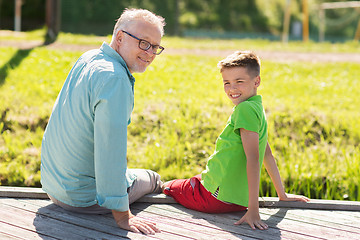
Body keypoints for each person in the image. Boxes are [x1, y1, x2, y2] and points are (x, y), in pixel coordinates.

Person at [41, 8, 166, 235]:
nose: (150, 53)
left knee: (130, 173)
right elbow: (111, 151)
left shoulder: (89, 57)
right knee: (153, 178)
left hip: (54, 187)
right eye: (144, 43)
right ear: (120, 37)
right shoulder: (115, 79)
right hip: (82, 199)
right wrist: (122, 215)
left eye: (156, 47)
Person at [163, 51, 310, 230]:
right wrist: (282, 194)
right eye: (227, 83)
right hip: (237, 201)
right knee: (199, 178)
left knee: (168, 186)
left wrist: (254, 210)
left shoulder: (244, 110)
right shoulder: (256, 107)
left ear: (256, 81)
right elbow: (267, 154)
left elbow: (254, 160)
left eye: (239, 81)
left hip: (214, 198)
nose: (232, 88)